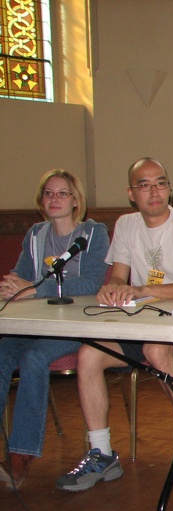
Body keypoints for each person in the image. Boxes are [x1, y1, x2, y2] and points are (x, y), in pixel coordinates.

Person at [56, 157, 173, 492]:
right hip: (141, 323)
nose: (155, 191)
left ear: (169, 188)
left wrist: (142, 289)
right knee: (89, 355)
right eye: (145, 185)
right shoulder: (127, 225)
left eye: (161, 183)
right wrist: (113, 287)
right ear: (132, 194)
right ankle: (101, 453)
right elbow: (118, 273)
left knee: (155, 349)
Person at [0, 170, 109, 487]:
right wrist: (10, 287)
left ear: (76, 200)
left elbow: (91, 282)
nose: (54, 199)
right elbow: (20, 276)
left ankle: (20, 455)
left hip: (77, 324)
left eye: (62, 193)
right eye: (48, 193)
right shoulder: (35, 235)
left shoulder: (92, 234)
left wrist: (34, 289)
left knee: (35, 357)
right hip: (33, 321)